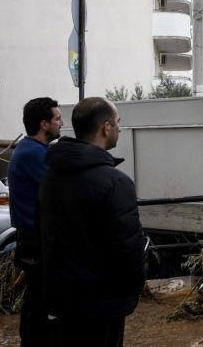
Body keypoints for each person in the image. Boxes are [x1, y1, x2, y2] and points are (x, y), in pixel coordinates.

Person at [39, 97, 145, 347]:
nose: (120, 127)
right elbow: (129, 250)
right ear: (106, 127)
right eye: (118, 122)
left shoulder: (49, 179)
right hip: (103, 305)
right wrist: (132, 292)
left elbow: (43, 235)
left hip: (61, 301)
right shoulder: (115, 182)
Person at [7, 97, 63, 347]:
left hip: (32, 238)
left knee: (36, 299)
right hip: (36, 240)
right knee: (41, 301)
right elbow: (62, 190)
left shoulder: (29, 149)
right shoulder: (35, 154)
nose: (61, 123)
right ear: (44, 124)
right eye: (57, 119)